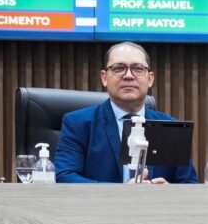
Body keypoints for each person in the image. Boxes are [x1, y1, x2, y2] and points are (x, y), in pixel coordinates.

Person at [54, 42, 198, 183]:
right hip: (103, 200)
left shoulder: (171, 128)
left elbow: (189, 185)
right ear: (104, 78)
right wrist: (121, 193)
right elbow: (65, 176)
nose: (128, 75)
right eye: (118, 68)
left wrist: (169, 192)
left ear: (150, 79)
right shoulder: (78, 123)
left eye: (138, 69)